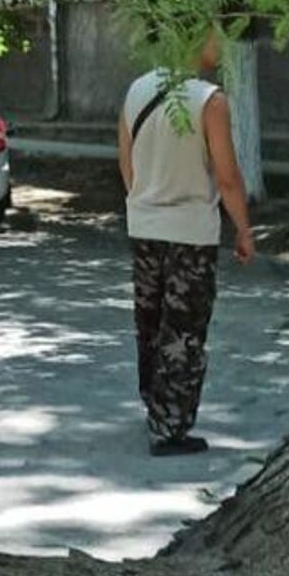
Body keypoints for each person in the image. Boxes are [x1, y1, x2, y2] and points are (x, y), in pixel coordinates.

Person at [118, 31, 255, 455]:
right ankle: (170, 425)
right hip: (190, 232)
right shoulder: (209, 101)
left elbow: (126, 162)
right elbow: (227, 177)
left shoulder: (138, 90)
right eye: (217, 39)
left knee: (150, 321)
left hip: (144, 225)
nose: (222, 47)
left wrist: (145, 202)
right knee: (183, 330)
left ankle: (154, 406)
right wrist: (244, 230)